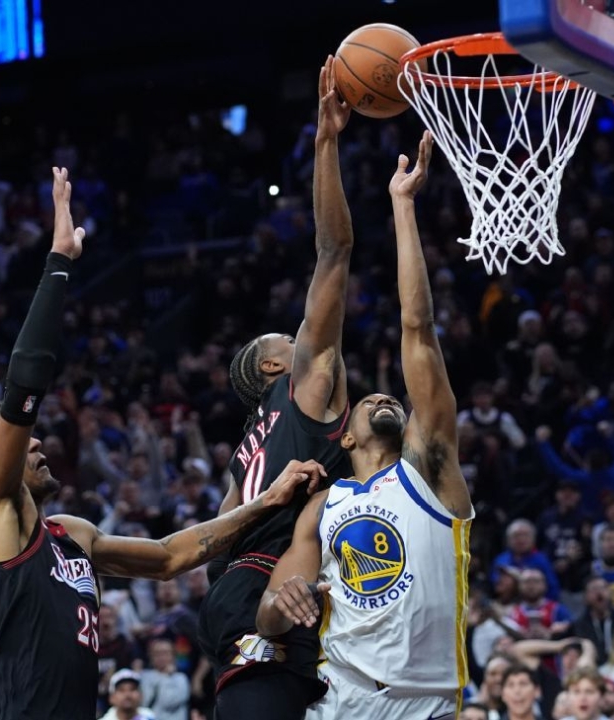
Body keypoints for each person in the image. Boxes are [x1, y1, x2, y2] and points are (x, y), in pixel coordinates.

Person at [0, 168, 325, 720]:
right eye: (9, 444)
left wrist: (268, 500)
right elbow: (24, 385)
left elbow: (169, 557)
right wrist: (59, 263)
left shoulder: (72, 534)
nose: (32, 444)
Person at [255, 132, 475, 719]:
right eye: (368, 399)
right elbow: (269, 614)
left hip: (426, 705)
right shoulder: (323, 504)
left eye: (394, 401)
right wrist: (286, 602)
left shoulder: (428, 468)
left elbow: (418, 329)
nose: (384, 395)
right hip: (341, 702)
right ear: (344, 436)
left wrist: (404, 206)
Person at [197, 57, 359, 719]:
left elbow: (215, 544)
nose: (297, 338)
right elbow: (334, 250)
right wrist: (325, 146)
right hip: (277, 588)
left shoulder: (245, 450)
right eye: (281, 342)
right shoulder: (306, 386)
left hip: (237, 593)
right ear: (272, 370)